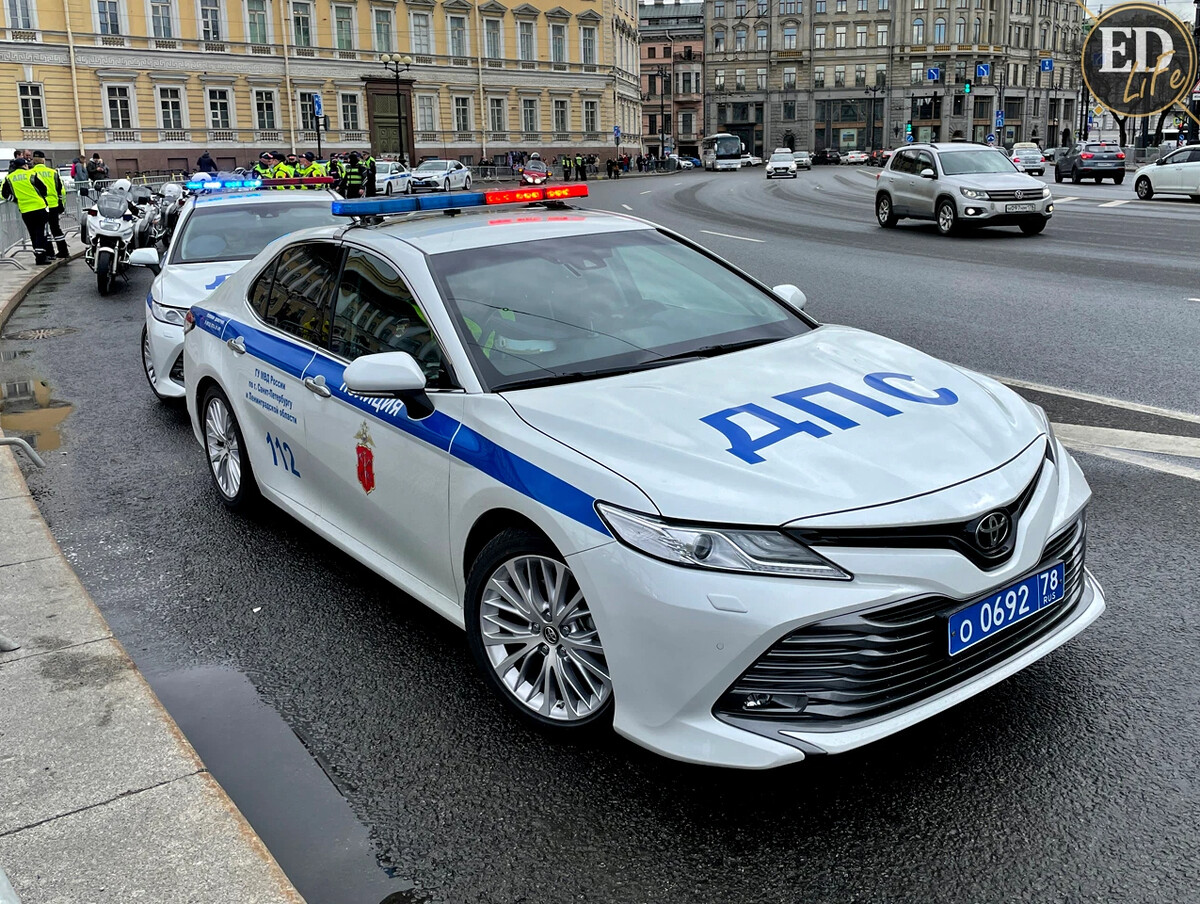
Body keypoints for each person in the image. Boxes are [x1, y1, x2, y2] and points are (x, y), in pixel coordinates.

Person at [1, 153, 52, 264]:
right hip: (39, 207)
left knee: (33, 233)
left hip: (25, 210)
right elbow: (44, 190)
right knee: (41, 232)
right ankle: (41, 257)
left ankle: (38, 255)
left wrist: (16, 200)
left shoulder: (9, 178)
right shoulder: (31, 174)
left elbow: (4, 194)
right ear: (24, 166)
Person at [30, 151, 70, 259]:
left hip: (40, 205)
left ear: (33, 160)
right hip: (53, 204)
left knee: (43, 230)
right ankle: (63, 250)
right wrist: (62, 204)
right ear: (44, 160)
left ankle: (49, 253)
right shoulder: (53, 172)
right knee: (55, 228)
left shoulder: (30, 173)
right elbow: (61, 190)